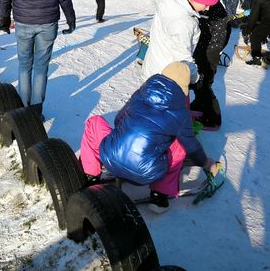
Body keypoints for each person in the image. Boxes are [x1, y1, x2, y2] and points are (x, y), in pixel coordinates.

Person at [79, 62, 220, 213]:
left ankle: (91, 175)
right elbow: (192, 146)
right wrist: (206, 163)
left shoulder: (141, 93)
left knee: (94, 123)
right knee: (180, 144)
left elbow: (119, 119)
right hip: (144, 174)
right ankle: (160, 195)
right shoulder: (181, 113)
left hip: (110, 157)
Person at [142, 0, 221, 84]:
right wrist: (195, 77)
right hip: (167, 79)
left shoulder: (170, 4)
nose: (207, 9)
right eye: (206, 4)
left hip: (154, 67)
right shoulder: (183, 22)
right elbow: (183, 59)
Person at [191, 0, 230, 128]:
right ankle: (198, 106)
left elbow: (222, 35)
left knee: (204, 86)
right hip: (198, 51)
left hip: (208, 55)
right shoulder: (198, 5)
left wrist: (212, 53)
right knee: (198, 85)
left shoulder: (217, 10)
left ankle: (213, 117)